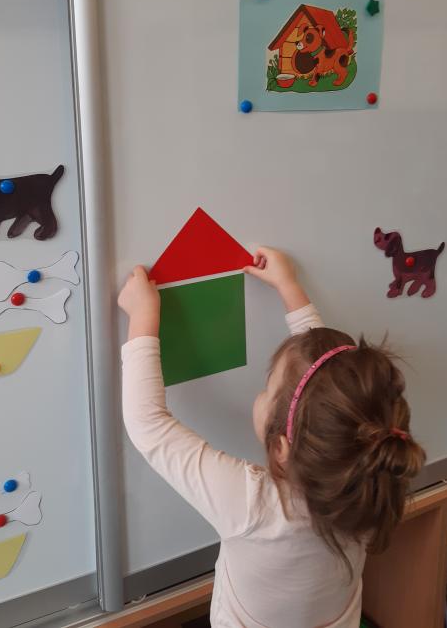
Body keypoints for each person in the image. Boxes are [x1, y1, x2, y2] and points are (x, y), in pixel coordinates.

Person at [118, 247, 425, 628]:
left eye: (266, 389)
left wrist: (143, 317)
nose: (261, 394)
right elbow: (327, 386)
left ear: (281, 448)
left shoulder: (252, 505)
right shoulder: (371, 485)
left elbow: (148, 424)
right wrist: (288, 286)